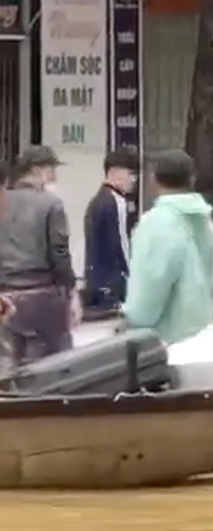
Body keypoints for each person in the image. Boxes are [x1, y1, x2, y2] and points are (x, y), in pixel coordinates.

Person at [123, 150, 213, 344]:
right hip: (201, 334)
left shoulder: (156, 223)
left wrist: (132, 321)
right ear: (192, 179)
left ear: (153, 178)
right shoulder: (206, 221)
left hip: (165, 342)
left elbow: (147, 294)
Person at [0, 146, 79, 366]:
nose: (54, 177)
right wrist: (71, 292)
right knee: (57, 367)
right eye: (51, 170)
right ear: (36, 170)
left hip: (6, 297)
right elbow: (59, 253)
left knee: (9, 367)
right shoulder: (51, 203)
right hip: (43, 297)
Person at [82, 146, 139, 310]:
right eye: (130, 174)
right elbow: (121, 243)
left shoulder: (97, 200)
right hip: (112, 283)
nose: (134, 180)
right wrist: (129, 275)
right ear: (113, 172)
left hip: (97, 280)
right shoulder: (115, 201)